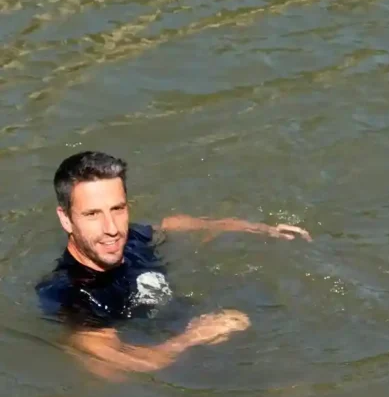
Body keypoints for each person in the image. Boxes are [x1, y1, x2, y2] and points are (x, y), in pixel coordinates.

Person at [35, 151, 312, 380]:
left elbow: (170, 225)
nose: (112, 229)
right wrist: (194, 336)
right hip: (186, 367)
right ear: (66, 219)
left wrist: (257, 229)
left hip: (208, 337)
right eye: (93, 214)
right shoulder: (70, 294)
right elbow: (123, 365)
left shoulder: (131, 239)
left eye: (117, 209)